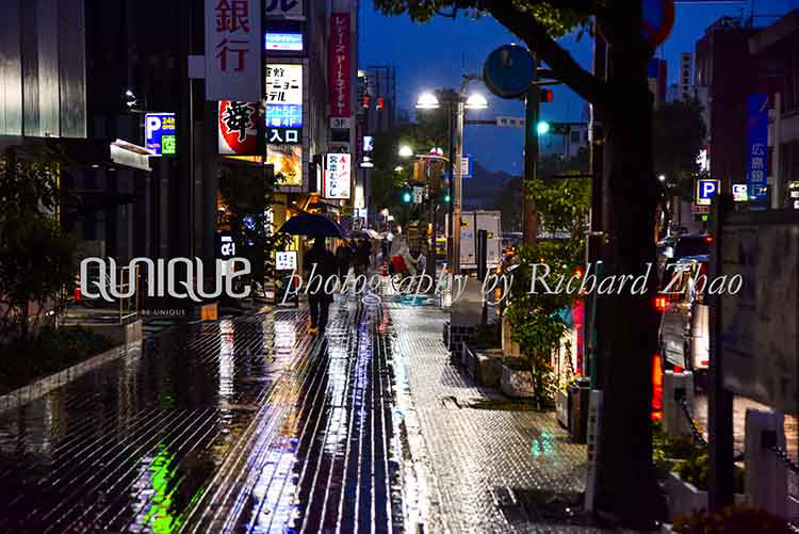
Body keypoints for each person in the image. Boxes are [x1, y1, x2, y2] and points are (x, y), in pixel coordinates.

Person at [304, 237, 337, 335]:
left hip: (313, 281)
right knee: (324, 306)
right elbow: (334, 269)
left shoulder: (309, 254)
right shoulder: (329, 254)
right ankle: (322, 326)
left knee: (313, 304)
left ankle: (314, 323)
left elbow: (305, 268)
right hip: (326, 282)